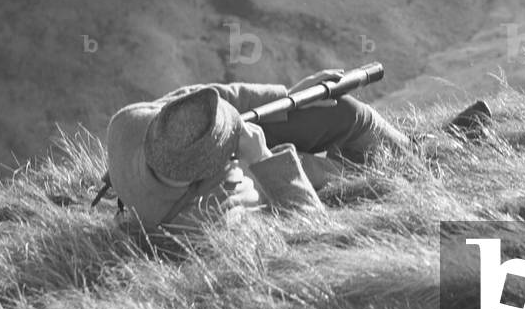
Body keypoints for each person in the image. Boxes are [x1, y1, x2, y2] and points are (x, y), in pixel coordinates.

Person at [104, 69, 414, 233]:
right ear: (217, 166)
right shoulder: (211, 221)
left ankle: (410, 150)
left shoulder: (132, 127)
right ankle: (413, 170)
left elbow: (201, 98)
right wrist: (264, 158)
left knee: (340, 108)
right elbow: (311, 231)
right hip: (257, 174)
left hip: (239, 158)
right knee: (334, 174)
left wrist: (289, 95)